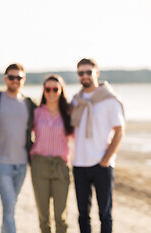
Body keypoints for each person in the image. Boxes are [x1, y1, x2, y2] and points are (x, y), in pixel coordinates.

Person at [71, 58, 125, 233]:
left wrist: (106, 159)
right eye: (81, 73)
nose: (85, 76)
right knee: (83, 214)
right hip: (79, 163)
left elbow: (119, 131)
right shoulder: (76, 101)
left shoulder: (110, 99)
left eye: (89, 72)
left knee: (105, 213)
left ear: (97, 73)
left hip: (102, 164)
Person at [0, 63, 36, 233]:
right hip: (1, 164)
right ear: (5, 79)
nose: (15, 80)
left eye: (19, 77)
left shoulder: (29, 103)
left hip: (22, 165)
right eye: (12, 77)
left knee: (10, 209)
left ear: (23, 80)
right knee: (9, 206)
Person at [30, 75, 73, 233]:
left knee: (60, 216)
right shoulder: (36, 113)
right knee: (43, 216)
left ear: (61, 91)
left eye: (55, 89)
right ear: (44, 91)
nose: (51, 92)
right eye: (47, 89)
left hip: (61, 166)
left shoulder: (68, 114)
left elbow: (81, 134)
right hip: (39, 165)